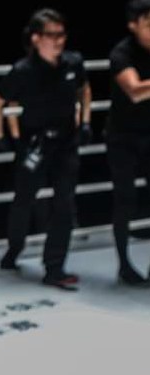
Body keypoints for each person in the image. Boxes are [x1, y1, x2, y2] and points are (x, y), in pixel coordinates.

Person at [0, 8, 93, 290]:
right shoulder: (23, 70)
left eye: (61, 34)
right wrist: (0, 136)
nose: (58, 40)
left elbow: (85, 89)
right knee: (24, 200)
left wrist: (86, 122)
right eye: (51, 35)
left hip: (66, 141)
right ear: (36, 38)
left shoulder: (73, 62)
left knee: (65, 203)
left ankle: (54, 267)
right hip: (34, 143)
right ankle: (14, 249)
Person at [106, 0, 150, 286]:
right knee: (125, 200)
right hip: (122, 137)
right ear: (133, 25)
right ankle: (124, 264)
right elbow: (134, 91)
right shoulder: (121, 53)